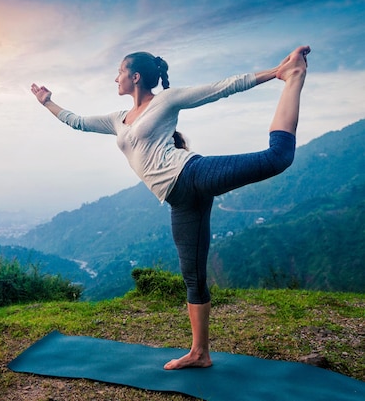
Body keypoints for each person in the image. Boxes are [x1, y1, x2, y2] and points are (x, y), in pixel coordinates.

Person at [31, 45, 309, 370]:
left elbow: (222, 87)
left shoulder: (165, 100)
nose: (115, 77)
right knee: (193, 277)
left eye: (120, 71)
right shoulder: (115, 119)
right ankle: (200, 353)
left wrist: (275, 72)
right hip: (180, 199)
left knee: (277, 157)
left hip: (192, 174)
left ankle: (293, 78)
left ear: (135, 77)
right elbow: (76, 121)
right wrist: (47, 101)